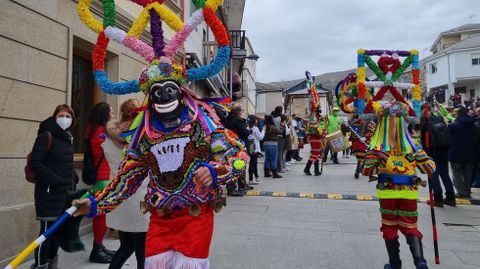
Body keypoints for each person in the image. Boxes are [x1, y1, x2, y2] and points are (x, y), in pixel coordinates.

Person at [363, 102, 435, 269]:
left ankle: (395, 264)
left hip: (387, 193)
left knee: (389, 228)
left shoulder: (379, 148)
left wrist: (372, 156)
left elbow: (367, 172)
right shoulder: (413, 147)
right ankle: (420, 262)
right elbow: (429, 168)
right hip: (408, 193)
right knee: (410, 227)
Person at [102, 99, 150, 269]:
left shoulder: (108, 141)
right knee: (142, 253)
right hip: (140, 202)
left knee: (126, 247)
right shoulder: (143, 139)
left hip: (120, 200)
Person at [30, 105, 76, 269]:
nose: (64, 118)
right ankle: (41, 265)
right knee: (47, 233)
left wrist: (72, 179)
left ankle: (52, 264)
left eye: (68, 115)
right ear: (54, 117)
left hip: (63, 193)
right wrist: (55, 180)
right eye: (61, 115)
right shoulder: (47, 135)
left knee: (57, 232)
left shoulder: (66, 137)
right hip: (48, 192)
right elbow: (36, 162)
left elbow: (62, 163)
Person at [85, 102, 116, 263]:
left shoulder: (95, 130)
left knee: (102, 215)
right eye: (111, 112)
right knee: (101, 216)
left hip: (103, 178)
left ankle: (99, 246)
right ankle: (96, 250)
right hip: (102, 178)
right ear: (105, 114)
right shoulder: (100, 132)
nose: (112, 115)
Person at [420, 104, 456, 207]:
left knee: (433, 174)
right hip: (444, 149)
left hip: (432, 151)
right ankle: (451, 198)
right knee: (445, 173)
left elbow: (422, 138)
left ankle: (438, 199)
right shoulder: (440, 118)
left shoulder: (424, 123)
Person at [222, 105, 252, 196]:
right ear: (239, 111)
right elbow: (246, 132)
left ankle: (242, 184)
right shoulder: (238, 120)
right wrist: (249, 130)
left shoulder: (227, 120)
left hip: (230, 146)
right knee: (238, 166)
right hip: (239, 146)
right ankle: (233, 188)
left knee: (234, 166)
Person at [448, 105, 476, 198]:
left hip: (456, 153)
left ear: (458, 114)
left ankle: (461, 192)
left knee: (457, 173)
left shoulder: (453, 126)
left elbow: (447, 138)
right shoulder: (473, 125)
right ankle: (467, 191)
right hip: (470, 153)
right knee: (468, 173)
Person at [304, 109, 327, 176]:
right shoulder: (313, 119)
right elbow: (314, 130)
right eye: (319, 113)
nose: (320, 114)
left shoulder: (318, 120)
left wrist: (323, 131)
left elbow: (320, 129)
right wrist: (322, 133)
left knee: (317, 155)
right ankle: (307, 169)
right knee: (314, 154)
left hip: (318, 139)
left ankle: (315, 170)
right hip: (314, 139)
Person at [247, 115, 264, 185]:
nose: (257, 121)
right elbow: (260, 137)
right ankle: (251, 179)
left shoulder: (248, 128)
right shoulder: (255, 128)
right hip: (255, 148)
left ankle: (256, 177)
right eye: (256, 119)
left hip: (250, 148)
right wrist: (263, 131)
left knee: (253, 163)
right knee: (253, 164)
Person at [472, 108, 480, 187]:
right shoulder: (475, 121)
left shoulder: (477, 123)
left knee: (477, 166)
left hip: (477, 148)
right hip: (476, 147)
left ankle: (477, 182)